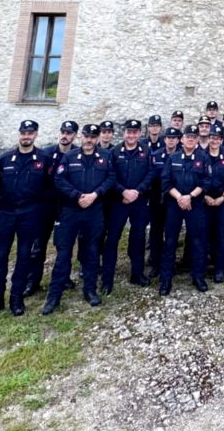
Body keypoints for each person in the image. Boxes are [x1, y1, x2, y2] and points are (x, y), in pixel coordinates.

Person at [0, 120, 50, 322]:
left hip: (29, 214)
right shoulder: (4, 159)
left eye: (30, 133)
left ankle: (16, 299)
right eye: (23, 133)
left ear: (36, 135)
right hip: (7, 214)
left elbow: (47, 185)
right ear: (19, 134)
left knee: (24, 256)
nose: (26, 136)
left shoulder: (43, 159)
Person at [41, 124, 115, 315]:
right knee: (63, 254)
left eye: (93, 137)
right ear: (81, 137)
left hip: (94, 210)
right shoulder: (70, 156)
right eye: (86, 136)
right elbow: (59, 180)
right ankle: (54, 297)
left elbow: (110, 179)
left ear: (98, 139)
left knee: (91, 252)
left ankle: (89, 290)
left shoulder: (105, 157)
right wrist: (76, 196)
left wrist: (94, 195)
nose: (89, 140)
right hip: (70, 210)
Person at [101, 119, 154, 295]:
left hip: (139, 201)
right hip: (119, 201)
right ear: (124, 133)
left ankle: (137, 273)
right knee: (113, 239)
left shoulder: (146, 151)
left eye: (135, 132)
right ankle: (107, 279)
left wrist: (137, 191)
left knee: (138, 237)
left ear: (139, 134)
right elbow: (110, 175)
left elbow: (150, 173)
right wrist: (123, 192)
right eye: (128, 132)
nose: (131, 135)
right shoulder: (115, 152)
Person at [25, 120, 78, 296]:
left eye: (69, 133)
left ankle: (63, 277)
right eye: (63, 132)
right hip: (45, 206)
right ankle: (33, 280)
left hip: (66, 206)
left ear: (74, 136)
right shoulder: (46, 153)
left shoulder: (78, 154)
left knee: (64, 245)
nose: (65, 135)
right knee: (38, 244)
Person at [160, 124, 211, 295]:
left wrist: (189, 196)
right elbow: (166, 182)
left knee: (198, 241)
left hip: (195, 203)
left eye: (193, 137)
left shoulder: (203, 158)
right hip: (175, 204)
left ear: (197, 140)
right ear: (182, 139)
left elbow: (206, 182)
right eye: (188, 136)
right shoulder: (173, 158)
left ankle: (198, 277)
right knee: (170, 242)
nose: (190, 139)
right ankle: (166, 279)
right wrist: (180, 197)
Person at [148, 127, 182, 279]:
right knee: (156, 232)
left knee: (171, 233)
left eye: (174, 138)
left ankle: (170, 263)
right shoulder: (156, 155)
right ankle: (156, 264)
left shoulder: (182, 156)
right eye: (168, 137)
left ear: (178, 140)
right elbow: (151, 176)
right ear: (164, 139)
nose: (171, 140)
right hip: (157, 199)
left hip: (173, 200)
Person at [204, 124, 224, 283]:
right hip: (204, 201)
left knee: (222, 235)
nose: (214, 141)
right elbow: (198, 179)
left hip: (223, 202)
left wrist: (222, 197)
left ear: (222, 140)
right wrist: (206, 197)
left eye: (217, 138)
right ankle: (203, 266)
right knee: (204, 235)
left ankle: (219, 268)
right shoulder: (201, 156)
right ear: (208, 139)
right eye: (212, 138)